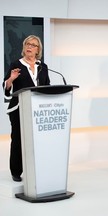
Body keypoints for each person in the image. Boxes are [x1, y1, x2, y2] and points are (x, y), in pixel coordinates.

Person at [2, 35, 50, 181]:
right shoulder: (16, 64)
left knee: (37, 140)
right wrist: (11, 79)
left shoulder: (43, 67)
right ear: (24, 47)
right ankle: (16, 171)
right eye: (27, 44)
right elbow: (6, 87)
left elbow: (47, 86)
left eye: (33, 45)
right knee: (18, 139)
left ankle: (37, 168)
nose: (29, 47)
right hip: (18, 108)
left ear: (38, 50)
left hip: (38, 109)